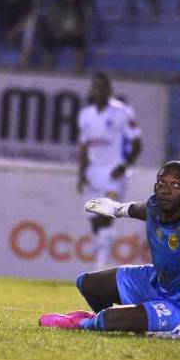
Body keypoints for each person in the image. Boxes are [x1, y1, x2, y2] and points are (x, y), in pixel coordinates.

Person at [39, 160, 180, 339]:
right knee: (87, 283)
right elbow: (137, 209)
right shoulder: (155, 205)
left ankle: (91, 322)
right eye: (162, 183)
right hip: (155, 281)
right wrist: (115, 208)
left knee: (110, 318)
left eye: (176, 185)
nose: (166, 190)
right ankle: (103, 319)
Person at [77, 73, 141, 270]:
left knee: (107, 214)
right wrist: (81, 173)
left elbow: (137, 144)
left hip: (114, 172)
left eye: (103, 87)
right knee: (95, 220)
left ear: (110, 90)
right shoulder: (85, 115)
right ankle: (102, 254)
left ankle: (101, 264)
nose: (99, 91)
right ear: (91, 90)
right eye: (95, 87)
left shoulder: (123, 113)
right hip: (93, 173)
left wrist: (124, 166)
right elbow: (84, 146)